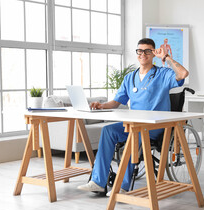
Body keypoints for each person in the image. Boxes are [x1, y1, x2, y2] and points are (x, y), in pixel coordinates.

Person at [77, 38, 189, 195]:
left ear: (153, 53)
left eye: (148, 51)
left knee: (134, 135)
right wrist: (102, 105)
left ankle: (122, 186)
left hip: (154, 126)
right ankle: (98, 181)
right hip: (133, 124)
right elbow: (117, 102)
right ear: (137, 53)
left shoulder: (163, 74)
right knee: (108, 131)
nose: (143, 54)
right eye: (140, 51)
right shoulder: (130, 77)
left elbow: (183, 73)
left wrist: (167, 58)